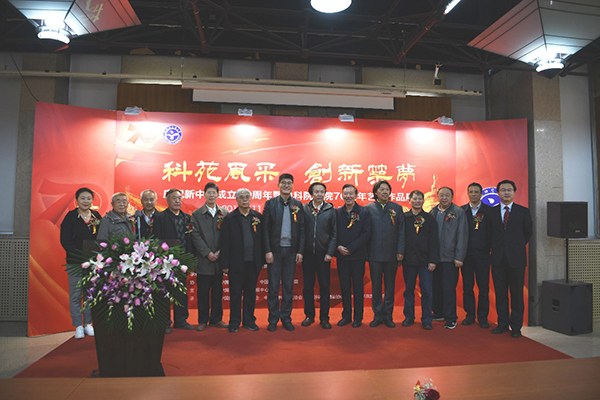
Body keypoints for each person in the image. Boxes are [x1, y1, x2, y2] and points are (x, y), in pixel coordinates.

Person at [490, 179, 533, 338]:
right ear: (498, 193)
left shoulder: (523, 211)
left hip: (516, 259)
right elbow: (488, 233)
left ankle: (516, 327)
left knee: (516, 294)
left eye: (509, 190)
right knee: (500, 294)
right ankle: (502, 324)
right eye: (503, 190)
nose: (506, 192)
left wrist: (515, 246)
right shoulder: (491, 212)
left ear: (514, 192)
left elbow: (528, 232)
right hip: (497, 259)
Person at [263, 173, 305, 332]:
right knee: (273, 287)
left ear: (292, 186)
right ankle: (273, 319)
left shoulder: (298, 205)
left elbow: (302, 229)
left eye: (289, 183)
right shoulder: (271, 204)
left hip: (291, 252)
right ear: (278, 185)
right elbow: (265, 230)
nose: (286, 185)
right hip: (275, 252)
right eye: (284, 183)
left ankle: (286, 318)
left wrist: (300, 251)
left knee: (288, 287)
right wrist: (268, 250)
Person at [220, 188, 265, 332]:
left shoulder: (257, 217)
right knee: (235, 294)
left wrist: (262, 260)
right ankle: (234, 322)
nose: (245, 199)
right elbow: (224, 243)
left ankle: (249, 321)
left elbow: (262, 240)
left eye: (247, 196)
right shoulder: (230, 218)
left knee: (250, 293)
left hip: (253, 262)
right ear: (237, 200)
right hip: (235, 263)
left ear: (250, 199)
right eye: (241, 197)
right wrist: (225, 264)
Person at [60, 187, 102, 339]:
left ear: (92, 200)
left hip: (92, 262)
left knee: (90, 293)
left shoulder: (96, 216)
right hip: (75, 262)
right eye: (82, 198)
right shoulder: (70, 217)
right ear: (76, 200)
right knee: (76, 294)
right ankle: (78, 325)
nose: (86, 201)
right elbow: (65, 240)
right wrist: (79, 255)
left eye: (88, 198)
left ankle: (88, 323)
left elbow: (101, 238)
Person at [154, 188, 195, 333]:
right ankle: (165, 322)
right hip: (166, 261)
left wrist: (191, 259)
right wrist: (160, 259)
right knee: (164, 291)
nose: (177, 201)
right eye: (174, 198)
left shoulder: (187, 218)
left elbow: (191, 239)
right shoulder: (160, 217)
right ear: (167, 200)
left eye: (179, 198)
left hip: (183, 261)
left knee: (181, 291)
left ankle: (181, 320)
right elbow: (156, 239)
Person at [365, 180, 405, 328]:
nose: (384, 192)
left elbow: (401, 232)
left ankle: (388, 315)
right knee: (376, 286)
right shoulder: (368, 209)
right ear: (375, 192)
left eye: (387, 189)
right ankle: (377, 315)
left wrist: (400, 251)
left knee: (390, 286)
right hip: (374, 254)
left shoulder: (397, 208)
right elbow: (365, 233)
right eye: (381, 189)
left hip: (391, 254)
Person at [191, 182, 229, 331]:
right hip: (204, 260)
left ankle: (216, 319)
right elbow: (195, 236)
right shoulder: (197, 214)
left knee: (218, 292)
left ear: (218, 195)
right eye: (209, 192)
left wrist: (220, 251)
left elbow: (228, 235)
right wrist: (207, 252)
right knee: (203, 292)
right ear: (204, 194)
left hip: (219, 260)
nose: (211, 195)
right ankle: (202, 320)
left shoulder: (224, 213)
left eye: (214, 192)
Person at [429, 186, 468, 330]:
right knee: (436, 287)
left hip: (451, 258)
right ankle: (438, 312)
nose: (444, 198)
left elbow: (462, 236)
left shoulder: (458, 212)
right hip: (435, 258)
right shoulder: (433, 212)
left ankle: (451, 317)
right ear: (437, 196)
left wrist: (459, 257)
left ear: (452, 197)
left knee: (449, 289)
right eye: (441, 195)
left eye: (447, 195)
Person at [301, 182, 337, 329]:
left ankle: (324, 318)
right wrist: (300, 251)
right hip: (307, 255)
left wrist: (330, 252)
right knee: (308, 287)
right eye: (317, 191)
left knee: (324, 287)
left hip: (324, 255)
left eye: (322, 192)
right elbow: (301, 231)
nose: (319, 194)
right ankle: (309, 316)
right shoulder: (304, 209)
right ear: (311, 194)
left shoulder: (330, 210)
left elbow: (334, 233)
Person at [401, 190, 439, 330]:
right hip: (408, 261)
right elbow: (400, 238)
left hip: (425, 262)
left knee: (427, 291)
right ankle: (409, 317)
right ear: (409, 200)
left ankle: (427, 319)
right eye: (415, 199)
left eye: (420, 199)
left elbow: (434, 241)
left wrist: (433, 260)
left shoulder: (429, 219)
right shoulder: (404, 218)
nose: (417, 201)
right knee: (408, 290)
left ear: (423, 201)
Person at [335, 184, 372, 328]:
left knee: (358, 287)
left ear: (356, 195)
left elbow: (366, 234)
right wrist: (338, 247)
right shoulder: (337, 212)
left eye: (351, 193)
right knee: (344, 287)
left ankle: (358, 317)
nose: (348, 196)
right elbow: (333, 232)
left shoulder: (363, 212)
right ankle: (346, 316)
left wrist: (351, 248)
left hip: (358, 256)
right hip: (342, 256)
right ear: (342, 195)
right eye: (346, 193)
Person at [460, 182, 493, 328]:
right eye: (471, 192)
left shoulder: (489, 211)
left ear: (481, 194)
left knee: (483, 288)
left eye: (476, 192)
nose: (473, 194)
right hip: (466, 256)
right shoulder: (462, 211)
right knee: (467, 287)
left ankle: (483, 317)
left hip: (483, 255)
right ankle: (470, 315)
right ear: (468, 193)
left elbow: (493, 232)